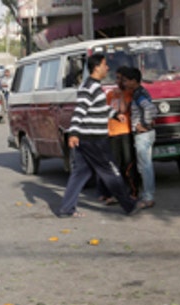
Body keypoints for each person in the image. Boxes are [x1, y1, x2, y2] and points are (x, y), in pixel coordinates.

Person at [57, 53, 137, 217]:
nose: (107, 68)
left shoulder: (94, 86)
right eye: (105, 64)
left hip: (88, 140)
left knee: (80, 174)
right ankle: (129, 205)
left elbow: (99, 107)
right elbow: (79, 111)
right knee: (112, 172)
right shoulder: (89, 87)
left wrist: (115, 114)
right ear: (97, 67)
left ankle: (66, 208)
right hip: (94, 141)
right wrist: (73, 133)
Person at [123, 66, 157, 209]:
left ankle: (148, 197)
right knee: (145, 166)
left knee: (145, 167)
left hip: (143, 135)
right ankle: (147, 195)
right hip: (146, 134)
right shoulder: (140, 92)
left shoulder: (138, 94)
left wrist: (144, 124)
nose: (124, 83)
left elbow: (150, 108)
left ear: (133, 81)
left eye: (126, 80)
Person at [105, 68, 136, 201]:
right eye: (117, 78)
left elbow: (123, 110)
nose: (118, 82)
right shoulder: (110, 94)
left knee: (128, 163)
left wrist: (122, 95)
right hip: (112, 132)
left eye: (121, 79)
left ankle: (132, 192)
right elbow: (105, 110)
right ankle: (115, 193)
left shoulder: (129, 93)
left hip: (125, 131)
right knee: (114, 164)